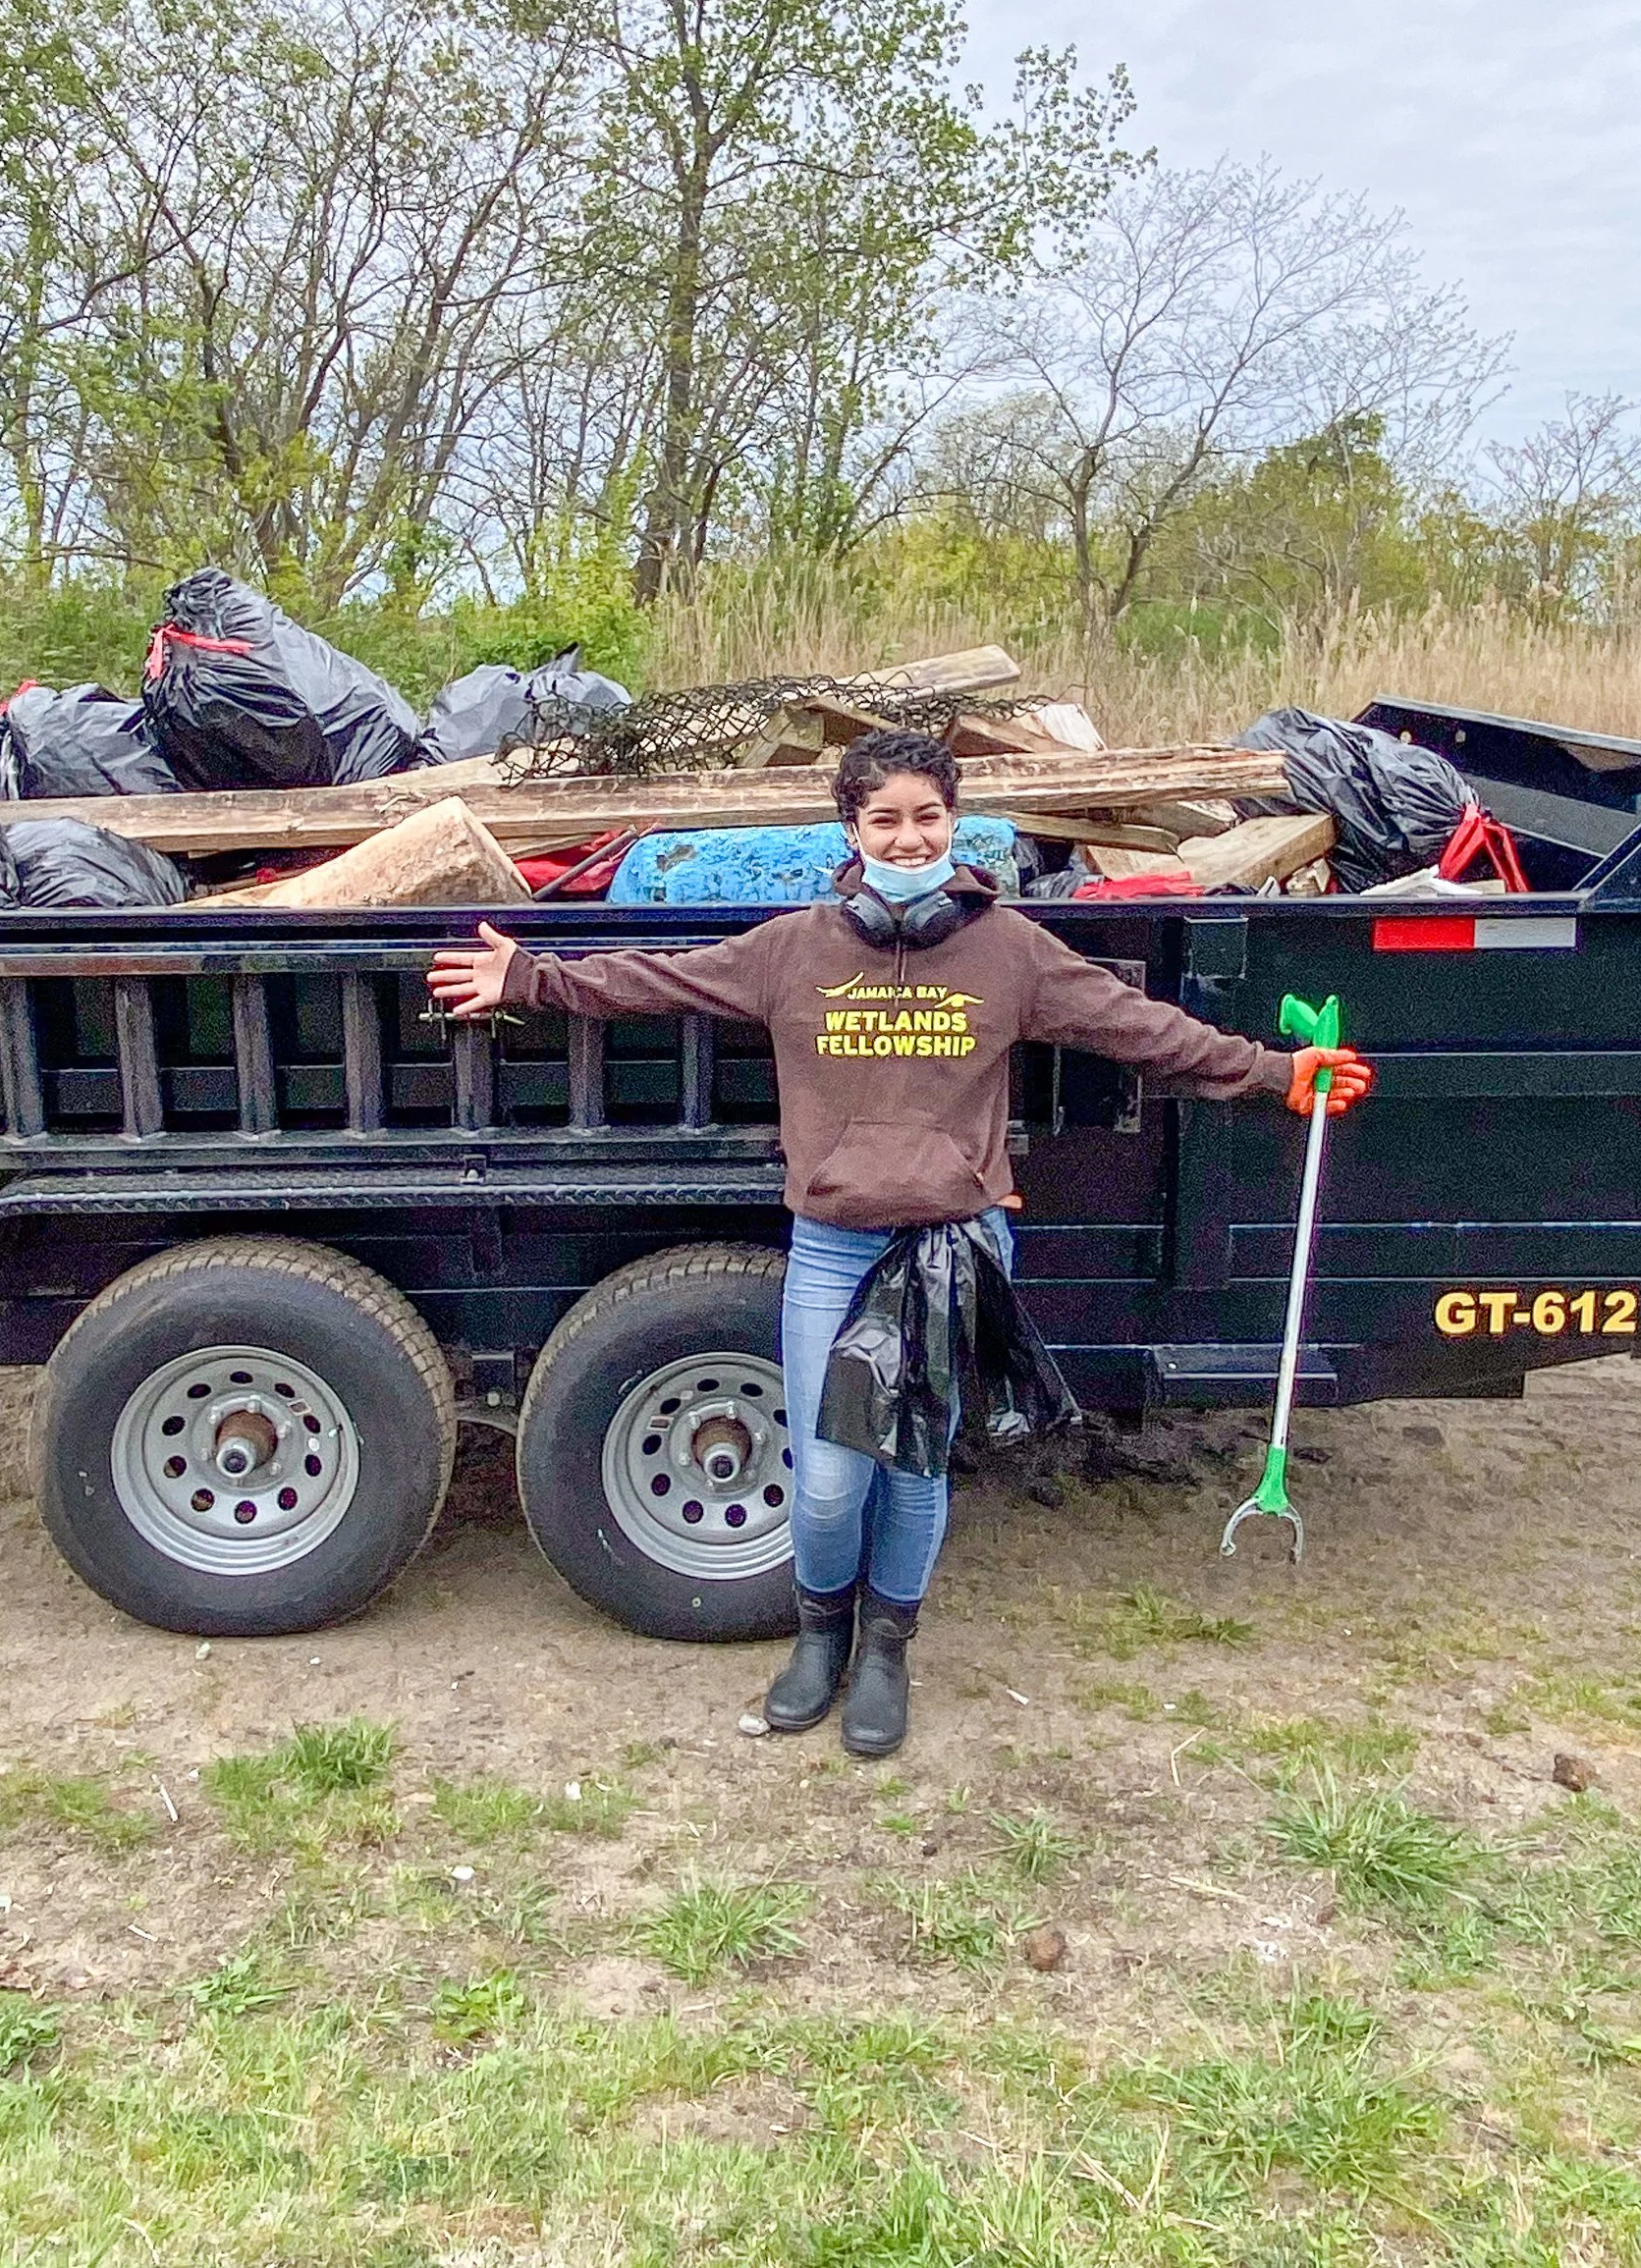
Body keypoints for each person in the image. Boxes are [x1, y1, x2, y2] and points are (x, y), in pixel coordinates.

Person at [426, 728, 1371, 1756]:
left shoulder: (1013, 952)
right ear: (851, 831)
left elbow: (1146, 1031)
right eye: (885, 819)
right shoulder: (791, 951)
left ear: (954, 824)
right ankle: (819, 1637)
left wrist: (1281, 1074)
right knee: (829, 1475)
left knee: (914, 1467)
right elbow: (657, 980)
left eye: (927, 817)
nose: (909, 838)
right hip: (832, 1247)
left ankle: (886, 1649)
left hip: (950, 1253)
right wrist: (529, 979)